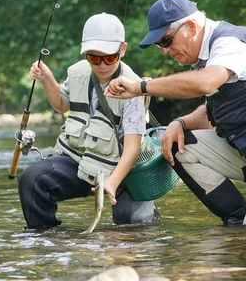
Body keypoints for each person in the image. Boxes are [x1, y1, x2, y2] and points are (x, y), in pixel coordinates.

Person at [105, 0, 246, 225]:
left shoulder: (230, 44)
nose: (164, 51)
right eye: (159, 45)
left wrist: (141, 87)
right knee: (178, 144)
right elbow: (218, 108)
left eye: (166, 41)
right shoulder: (206, 56)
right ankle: (236, 220)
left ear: (191, 27)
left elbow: (205, 83)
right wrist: (180, 123)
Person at [18, 12, 157, 229]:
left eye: (109, 58)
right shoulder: (78, 72)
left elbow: (132, 148)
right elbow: (62, 104)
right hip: (80, 161)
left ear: (122, 50)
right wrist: (47, 78)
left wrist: (112, 183)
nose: (102, 65)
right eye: (94, 58)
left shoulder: (134, 88)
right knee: (32, 180)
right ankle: (46, 244)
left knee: (132, 231)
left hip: (122, 171)